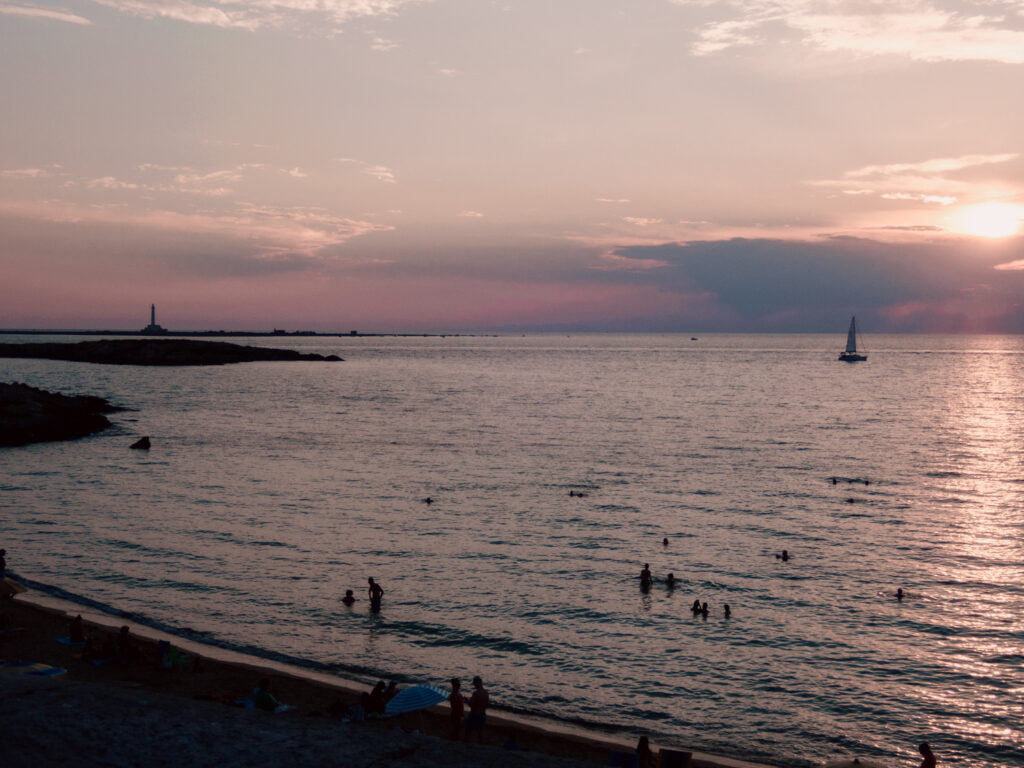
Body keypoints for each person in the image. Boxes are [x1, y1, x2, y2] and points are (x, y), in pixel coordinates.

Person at [464, 675, 489, 743]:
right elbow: (487, 705)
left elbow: (472, 705)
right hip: (483, 714)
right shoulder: (486, 693)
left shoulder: (476, 693)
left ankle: (465, 744)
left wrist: (466, 700)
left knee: (468, 731)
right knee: (480, 732)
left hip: (474, 715)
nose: (474, 685)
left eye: (474, 683)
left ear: (477, 683)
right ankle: (481, 745)